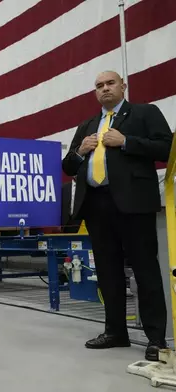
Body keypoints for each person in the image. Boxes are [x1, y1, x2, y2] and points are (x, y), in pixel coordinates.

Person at [62, 70, 173, 361]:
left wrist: (125, 141)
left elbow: (166, 147)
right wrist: (80, 152)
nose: (105, 89)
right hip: (96, 206)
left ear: (123, 86)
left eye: (110, 83)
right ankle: (115, 332)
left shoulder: (144, 113)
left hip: (134, 204)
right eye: (99, 86)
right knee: (108, 273)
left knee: (145, 270)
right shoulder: (87, 125)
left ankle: (156, 339)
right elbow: (69, 167)